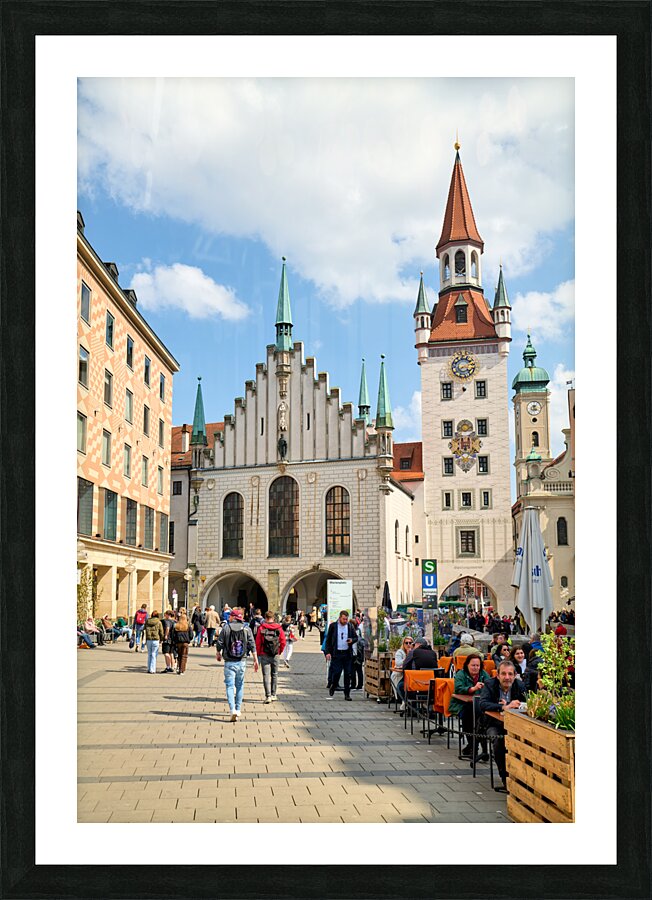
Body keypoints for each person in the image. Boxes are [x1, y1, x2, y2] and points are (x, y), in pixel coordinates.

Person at [477, 659, 527, 791]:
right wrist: (503, 706)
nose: (507, 678)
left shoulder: (520, 686)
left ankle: (522, 779)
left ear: (515, 675)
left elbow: (528, 704)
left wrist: (516, 705)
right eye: (503, 674)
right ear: (497, 675)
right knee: (499, 742)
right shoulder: (490, 684)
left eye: (510, 674)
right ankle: (506, 779)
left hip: (515, 725)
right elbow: (482, 704)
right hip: (493, 723)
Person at [215, 608, 258, 721]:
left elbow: (219, 643)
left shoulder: (226, 628)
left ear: (233, 617)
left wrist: (218, 653)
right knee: (240, 686)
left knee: (229, 686)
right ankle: (238, 709)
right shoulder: (246, 628)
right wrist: (255, 659)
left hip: (229, 661)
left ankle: (232, 709)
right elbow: (252, 644)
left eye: (230, 615)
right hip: (242, 661)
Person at [449, 654, 491, 758]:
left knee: (483, 717)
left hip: (479, 704)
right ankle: (473, 746)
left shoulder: (483, 674)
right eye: (473, 665)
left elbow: (490, 685)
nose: (476, 668)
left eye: (478, 665)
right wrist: (473, 689)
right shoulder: (461, 674)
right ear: (467, 665)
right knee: (469, 715)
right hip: (461, 704)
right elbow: (458, 689)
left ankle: (482, 748)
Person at [324, 610, 357, 701]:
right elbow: (328, 640)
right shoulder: (333, 626)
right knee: (337, 672)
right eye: (344, 619)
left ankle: (347, 694)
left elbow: (356, 637)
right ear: (339, 618)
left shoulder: (350, 626)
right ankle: (334, 685)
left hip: (347, 653)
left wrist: (352, 640)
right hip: (337, 653)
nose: (345, 621)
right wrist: (327, 652)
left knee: (347, 674)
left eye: (346, 619)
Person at [255, 610, 286, 703]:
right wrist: (279, 651)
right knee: (274, 675)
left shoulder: (261, 628)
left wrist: (259, 653)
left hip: (264, 654)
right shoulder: (279, 628)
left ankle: (268, 696)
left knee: (266, 675)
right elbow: (283, 641)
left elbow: (258, 643)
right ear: (273, 618)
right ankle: (273, 694)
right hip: (275, 654)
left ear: (265, 618)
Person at [391, 636, 414, 710]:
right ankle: (405, 702)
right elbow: (398, 663)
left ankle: (410, 703)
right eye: (406, 643)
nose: (408, 644)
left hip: (411, 675)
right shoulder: (400, 652)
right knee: (402, 686)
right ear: (403, 644)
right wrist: (407, 657)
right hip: (399, 674)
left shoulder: (415, 652)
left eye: (410, 643)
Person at [172, 609, 193, 675]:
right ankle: (182, 670)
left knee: (179, 656)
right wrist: (188, 640)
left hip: (178, 643)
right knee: (184, 656)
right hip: (185, 643)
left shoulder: (176, 626)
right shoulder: (188, 626)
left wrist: (175, 641)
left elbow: (173, 635)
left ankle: (178, 667)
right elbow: (191, 635)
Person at [144, 610, 164, 674]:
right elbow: (161, 631)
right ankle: (153, 669)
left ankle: (149, 668)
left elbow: (144, 628)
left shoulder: (147, 621)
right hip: (156, 640)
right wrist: (162, 639)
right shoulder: (159, 622)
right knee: (154, 654)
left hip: (148, 639)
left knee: (149, 654)